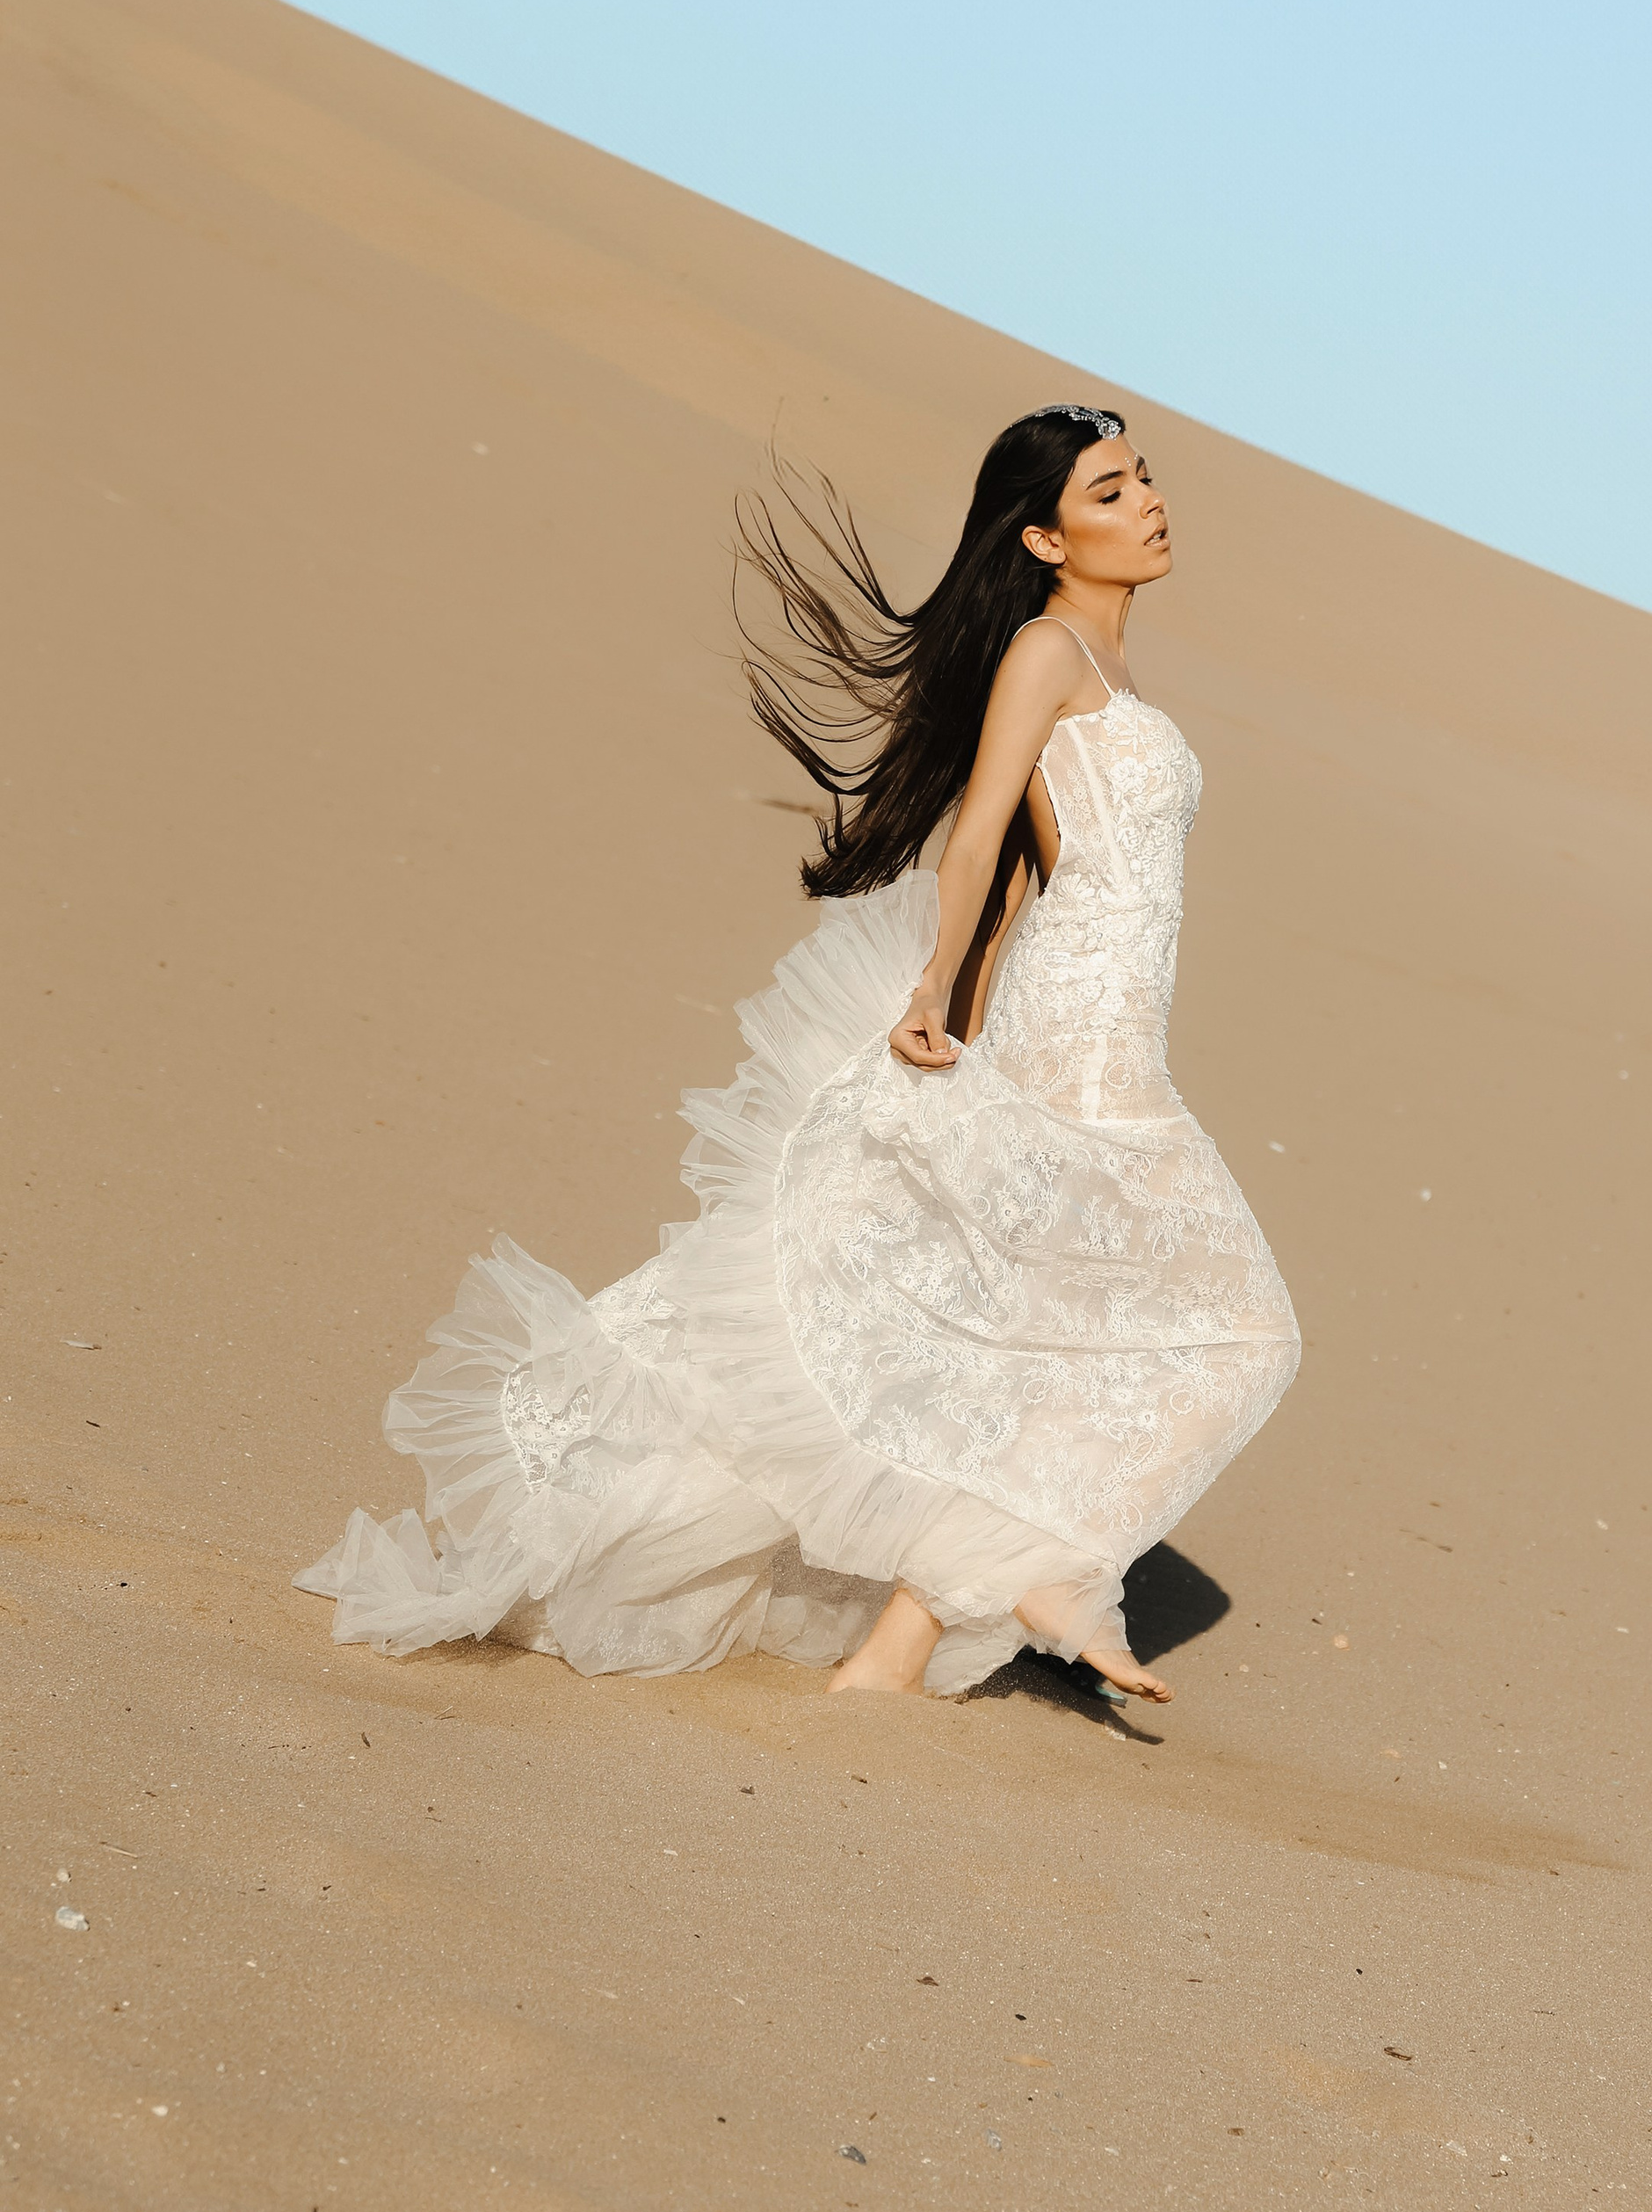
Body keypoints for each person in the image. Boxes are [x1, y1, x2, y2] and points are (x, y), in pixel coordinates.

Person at [296, 404, 1300, 1701]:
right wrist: (937, 984)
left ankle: (907, 1642)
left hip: (1114, 1031)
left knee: (1020, 1327)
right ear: (1047, 537)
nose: (1150, 503)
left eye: (1145, 479)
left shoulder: (1112, 669)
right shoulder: (1050, 651)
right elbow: (983, 824)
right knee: (1234, 1337)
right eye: (1112, 492)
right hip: (1086, 1046)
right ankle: (1048, 1563)